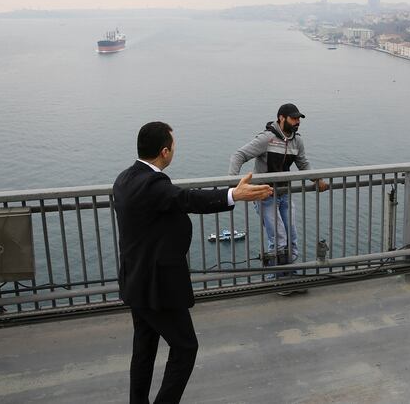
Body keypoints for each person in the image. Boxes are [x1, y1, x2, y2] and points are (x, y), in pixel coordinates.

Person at [113, 121, 272, 403]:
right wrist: (233, 194)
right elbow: (187, 199)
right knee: (185, 347)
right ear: (164, 152)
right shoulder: (153, 183)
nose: (174, 149)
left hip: (135, 281)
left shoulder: (124, 179)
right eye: (173, 145)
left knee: (144, 349)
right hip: (157, 287)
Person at [228, 103, 327, 283]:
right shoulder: (267, 139)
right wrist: (233, 184)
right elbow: (239, 155)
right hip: (265, 196)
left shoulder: (297, 141)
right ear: (281, 118)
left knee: (292, 239)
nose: (297, 122)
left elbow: (303, 163)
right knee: (279, 239)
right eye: (294, 118)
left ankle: (288, 275)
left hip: (285, 194)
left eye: (299, 119)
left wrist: (317, 180)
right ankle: (275, 279)